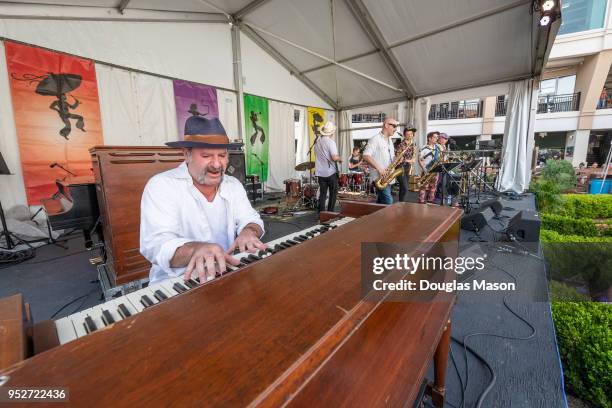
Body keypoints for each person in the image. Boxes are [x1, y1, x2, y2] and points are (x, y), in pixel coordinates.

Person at [140, 116, 266, 284]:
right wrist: (196, 250)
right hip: (177, 283)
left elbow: (251, 219)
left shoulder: (233, 185)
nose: (216, 164)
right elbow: (156, 245)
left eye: (222, 155)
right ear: (186, 154)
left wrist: (248, 232)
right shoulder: (161, 186)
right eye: (206, 155)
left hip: (225, 273)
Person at [363, 118, 399, 204]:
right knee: (388, 202)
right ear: (386, 125)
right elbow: (366, 155)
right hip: (380, 177)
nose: (396, 129)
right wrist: (380, 168)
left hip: (388, 176)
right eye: (394, 126)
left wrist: (397, 159)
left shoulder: (390, 140)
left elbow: (391, 157)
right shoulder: (375, 139)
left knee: (381, 203)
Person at [314, 121, 342, 212]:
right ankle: (330, 214)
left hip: (320, 173)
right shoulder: (331, 142)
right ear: (332, 132)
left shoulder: (317, 143)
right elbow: (334, 157)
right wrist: (340, 159)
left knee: (322, 194)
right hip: (330, 173)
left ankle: (321, 214)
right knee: (333, 194)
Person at [436, 133, 459, 207]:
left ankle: (446, 197)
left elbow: (445, 157)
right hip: (438, 166)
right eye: (445, 139)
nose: (446, 140)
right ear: (440, 139)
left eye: (446, 139)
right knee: (440, 183)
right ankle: (439, 198)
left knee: (445, 182)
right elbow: (437, 157)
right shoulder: (437, 146)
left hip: (444, 166)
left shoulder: (444, 146)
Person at [418, 131, 441, 204]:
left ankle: (430, 201)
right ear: (429, 138)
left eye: (437, 137)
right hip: (426, 171)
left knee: (433, 188)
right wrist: (424, 170)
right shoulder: (424, 148)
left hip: (435, 171)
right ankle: (421, 202)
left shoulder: (438, 148)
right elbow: (420, 160)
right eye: (435, 137)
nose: (437, 139)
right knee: (423, 188)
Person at [395, 126, 417, 202]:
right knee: (405, 187)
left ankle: (401, 203)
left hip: (408, 167)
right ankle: (402, 202)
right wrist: (409, 160)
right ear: (404, 135)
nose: (410, 135)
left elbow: (414, 155)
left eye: (411, 134)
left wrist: (413, 159)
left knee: (403, 188)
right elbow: (398, 158)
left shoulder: (413, 145)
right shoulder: (401, 145)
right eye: (408, 134)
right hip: (400, 167)